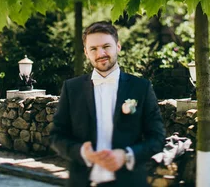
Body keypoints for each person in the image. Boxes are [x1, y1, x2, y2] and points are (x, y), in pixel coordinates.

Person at [51, 21, 165, 186]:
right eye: (93, 49)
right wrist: (83, 152)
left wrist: (127, 155)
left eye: (106, 46)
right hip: (82, 181)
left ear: (118, 46)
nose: (100, 53)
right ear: (86, 52)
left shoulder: (141, 87)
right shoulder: (71, 88)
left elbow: (157, 138)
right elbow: (57, 136)